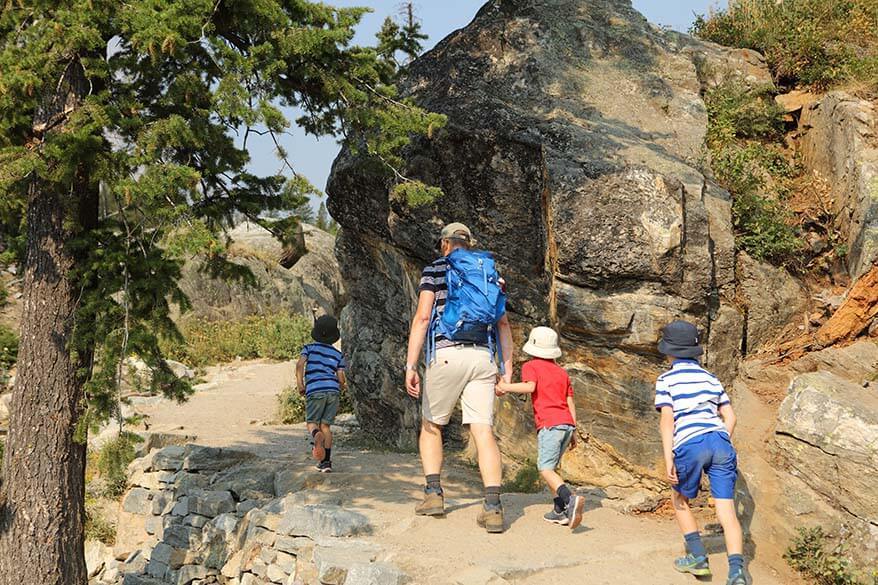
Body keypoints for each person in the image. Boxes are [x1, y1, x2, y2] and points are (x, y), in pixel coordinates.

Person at [404, 222, 514, 533]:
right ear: (468, 243)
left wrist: (411, 366)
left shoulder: (435, 270)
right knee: (483, 431)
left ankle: (433, 495)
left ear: (445, 244)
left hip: (446, 354)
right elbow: (503, 325)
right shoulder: (489, 273)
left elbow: (423, 317)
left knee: (431, 425)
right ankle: (493, 507)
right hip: (483, 357)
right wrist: (506, 369)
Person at [654, 320, 747, 585]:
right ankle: (737, 572)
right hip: (720, 441)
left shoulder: (666, 379)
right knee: (726, 510)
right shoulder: (711, 378)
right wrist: (719, 440)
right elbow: (730, 416)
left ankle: (698, 558)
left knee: (680, 499)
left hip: (689, 443)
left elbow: (667, 421)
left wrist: (669, 458)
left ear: (669, 352)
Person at [495, 326, 584, 529]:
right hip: (567, 424)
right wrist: (574, 430)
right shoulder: (562, 373)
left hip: (550, 424)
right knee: (552, 469)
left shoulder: (531, 366)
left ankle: (570, 500)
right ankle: (559, 511)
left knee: (544, 469)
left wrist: (505, 387)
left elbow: (530, 387)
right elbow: (570, 401)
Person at [297, 315, 346, 473]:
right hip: (332, 390)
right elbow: (340, 377)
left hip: (315, 389)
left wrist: (300, 384)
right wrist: (342, 386)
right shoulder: (338, 355)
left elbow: (300, 364)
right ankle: (326, 463)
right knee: (326, 426)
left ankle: (316, 435)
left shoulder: (309, 348)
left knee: (312, 422)